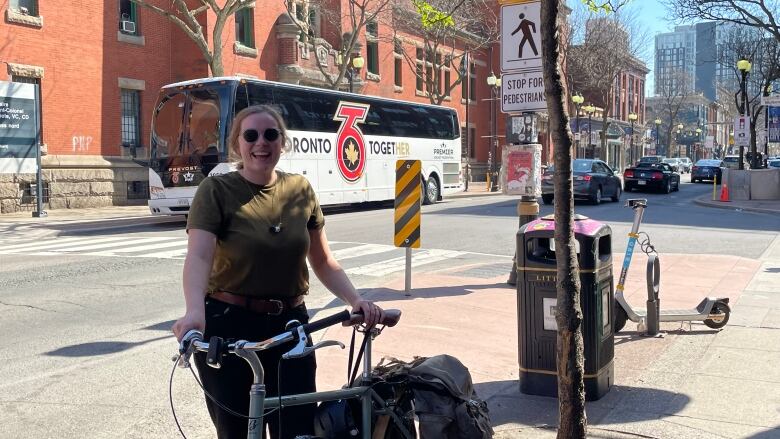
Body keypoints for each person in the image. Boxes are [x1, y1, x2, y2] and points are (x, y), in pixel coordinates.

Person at [172, 105, 385, 438]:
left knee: (297, 427)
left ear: (282, 141)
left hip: (290, 325)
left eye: (271, 134)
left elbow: (323, 260)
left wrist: (356, 300)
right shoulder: (216, 192)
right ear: (237, 144)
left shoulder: (300, 190)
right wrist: (194, 314)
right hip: (230, 325)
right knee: (237, 430)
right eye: (251, 135)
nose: (262, 142)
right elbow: (199, 256)